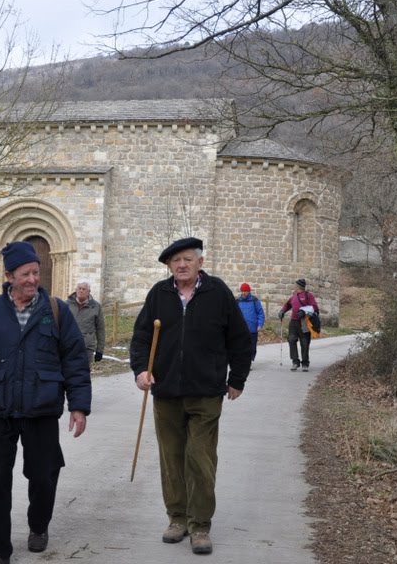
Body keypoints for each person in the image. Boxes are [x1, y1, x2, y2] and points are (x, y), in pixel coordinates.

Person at [0, 241, 92, 564]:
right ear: (9, 276)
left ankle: (38, 525)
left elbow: (74, 360)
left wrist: (78, 406)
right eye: (25, 274)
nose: (32, 279)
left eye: (35, 272)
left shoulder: (56, 312)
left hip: (41, 407)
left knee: (43, 474)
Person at [130, 237, 253, 556]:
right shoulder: (159, 294)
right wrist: (141, 370)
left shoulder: (218, 293)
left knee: (200, 458)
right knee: (171, 458)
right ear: (169, 266)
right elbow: (141, 337)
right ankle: (177, 519)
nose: (181, 265)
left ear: (200, 262)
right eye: (176, 261)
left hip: (206, 392)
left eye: (187, 259)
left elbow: (240, 339)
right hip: (166, 391)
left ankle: (199, 525)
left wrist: (237, 378)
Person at [278, 278, 319, 372]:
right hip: (293, 322)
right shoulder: (294, 296)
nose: (294, 286)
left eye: (295, 285)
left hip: (304, 322)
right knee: (291, 340)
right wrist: (282, 311)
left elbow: (314, 308)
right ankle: (295, 362)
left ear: (299, 286)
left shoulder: (308, 295)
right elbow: (287, 305)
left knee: (305, 343)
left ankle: (305, 363)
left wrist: (304, 312)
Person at [66, 280, 107, 365]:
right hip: (68, 346)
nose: (81, 291)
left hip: (86, 347)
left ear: (88, 292)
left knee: (83, 371)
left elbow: (100, 329)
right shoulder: (67, 305)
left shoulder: (96, 307)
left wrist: (100, 350)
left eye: (84, 289)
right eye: (79, 288)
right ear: (76, 290)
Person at [236, 282, 265, 362]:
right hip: (241, 329)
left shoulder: (254, 301)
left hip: (253, 329)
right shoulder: (237, 302)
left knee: (252, 347)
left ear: (249, 291)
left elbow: (260, 313)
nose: (243, 293)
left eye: (245, 291)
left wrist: (260, 324)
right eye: (242, 291)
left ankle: (249, 360)